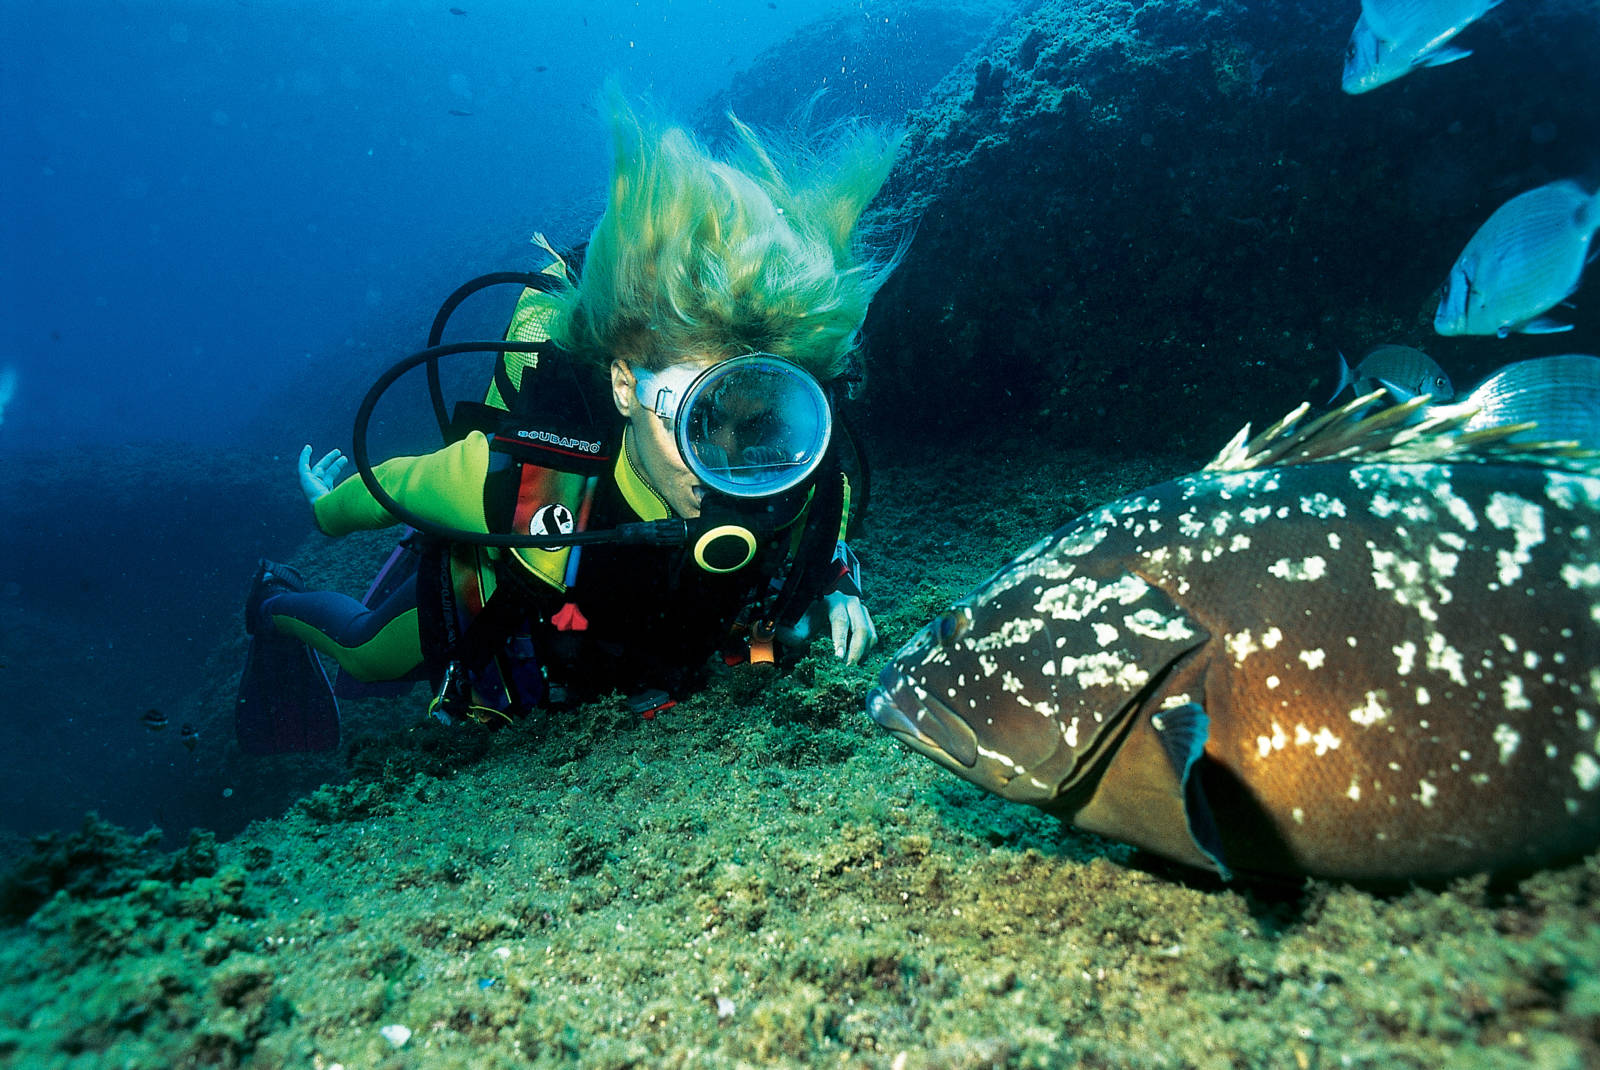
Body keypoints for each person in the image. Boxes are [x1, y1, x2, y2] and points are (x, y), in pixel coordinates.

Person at [234, 90, 906, 753]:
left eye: (757, 427)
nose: (726, 466)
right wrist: (329, 512)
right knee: (366, 655)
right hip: (511, 597)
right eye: (700, 419)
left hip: (631, 642)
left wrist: (835, 584)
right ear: (624, 385)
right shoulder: (512, 481)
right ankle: (271, 601)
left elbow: (828, 513)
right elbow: (399, 485)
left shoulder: (793, 478)